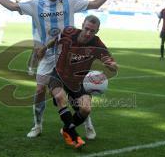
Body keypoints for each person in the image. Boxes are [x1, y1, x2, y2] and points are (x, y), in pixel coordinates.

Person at [0, 0, 126, 139]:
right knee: (40, 89)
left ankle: (87, 124)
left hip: (70, 56)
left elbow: (95, 4)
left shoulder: (69, 2)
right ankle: (37, 125)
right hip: (48, 55)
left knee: (77, 93)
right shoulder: (36, 4)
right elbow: (13, 6)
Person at [42, 15, 118, 148]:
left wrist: (111, 65)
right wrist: (43, 49)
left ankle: (66, 128)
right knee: (60, 97)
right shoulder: (68, 33)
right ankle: (74, 137)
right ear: (82, 25)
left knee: (86, 109)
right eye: (87, 29)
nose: (89, 33)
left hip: (79, 81)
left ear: (97, 31)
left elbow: (113, 63)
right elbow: (55, 40)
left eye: (92, 31)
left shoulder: (97, 43)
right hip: (59, 74)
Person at [27, 0, 46, 76]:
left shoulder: (48, 5)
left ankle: (38, 69)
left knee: (43, 52)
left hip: (46, 33)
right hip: (37, 32)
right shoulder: (33, 5)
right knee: (36, 51)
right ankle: (31, 68)